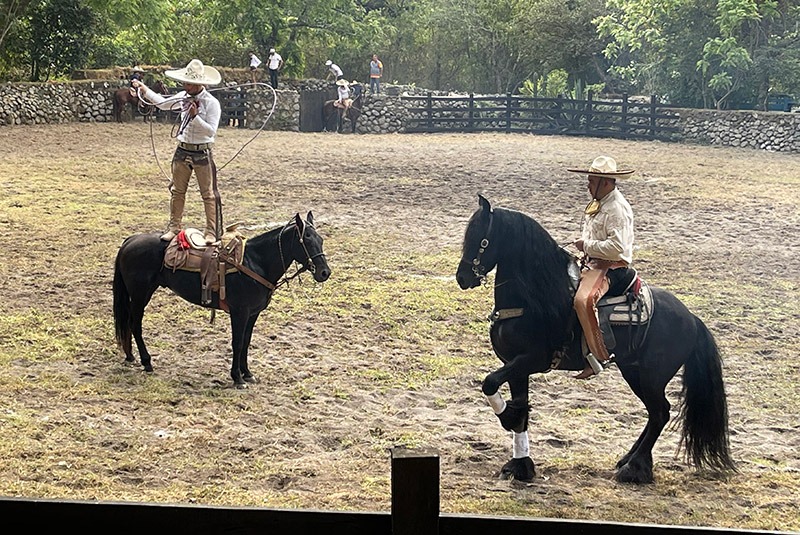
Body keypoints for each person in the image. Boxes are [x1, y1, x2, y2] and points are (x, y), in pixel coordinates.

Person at [132, 59, 223, 245]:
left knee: (208, 194)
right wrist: (144, 89)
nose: (186, 86)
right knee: (177, 191)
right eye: (185, 83)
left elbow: (210, 131)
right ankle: (174, 227)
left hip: (202, 152)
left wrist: (194, 117)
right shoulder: (182, 96)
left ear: (200, 84)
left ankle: (211, 231)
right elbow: (163, 104)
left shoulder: (212, 103)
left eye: (189, 83)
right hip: (182, 150)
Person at [567, 155, 636, 379]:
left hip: (613, 268)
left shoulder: (616, 209)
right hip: (595, 262)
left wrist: (586, 245)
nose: (588, 185)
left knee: (583, 300)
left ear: (605, 183)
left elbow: (617, 248)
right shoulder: (602, 203)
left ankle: (598, 356)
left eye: (591, 181)